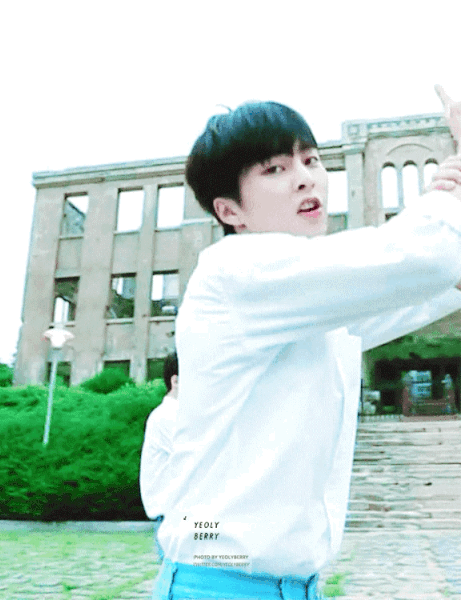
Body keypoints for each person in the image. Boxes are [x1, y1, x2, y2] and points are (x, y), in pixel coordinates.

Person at [152, 100, 461, 600]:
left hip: (285, 585)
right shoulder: (235, 271)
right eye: (275, 169)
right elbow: (425, 258)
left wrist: (447, 205)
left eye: (311, 160)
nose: (305, 179)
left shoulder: (306, 300)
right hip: (221, 584)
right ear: (230, 211)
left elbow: (428, 279)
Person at [140, 352, 178, 559]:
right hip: (172, 518)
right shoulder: (166, 417)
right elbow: (199, 459)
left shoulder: (176, 415)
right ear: (175, 381)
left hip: (179, 517)